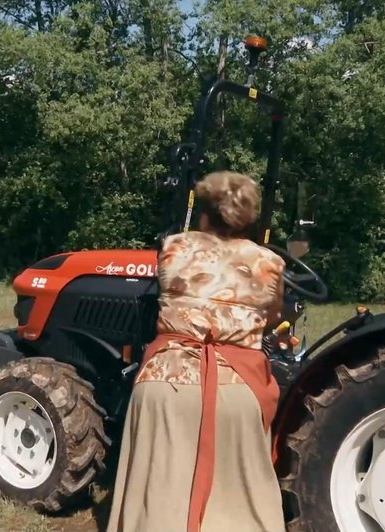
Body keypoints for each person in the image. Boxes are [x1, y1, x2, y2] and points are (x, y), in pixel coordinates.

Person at [106, 170, 287, 532]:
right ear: (248, 218)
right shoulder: (270, 263)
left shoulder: (173, 248)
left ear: (203, 215)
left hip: (164, 386)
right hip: (236, 390)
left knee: (159, 499)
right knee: (239, 506)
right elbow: (273, 317)